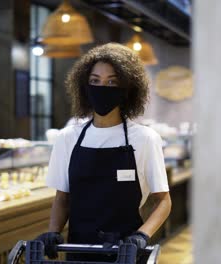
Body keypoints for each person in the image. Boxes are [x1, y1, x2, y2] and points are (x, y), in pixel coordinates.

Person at [37, 43, 172, 261]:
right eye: (95, 81)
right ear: (84, 86)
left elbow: (163, 201)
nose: (102, 87)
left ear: (128, 88)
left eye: (112, 82)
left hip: (126, 252)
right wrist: (53, 231)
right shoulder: (67, 138)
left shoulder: (145, 138)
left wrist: (141, 236)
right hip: (78, 250)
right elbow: (62, 199)